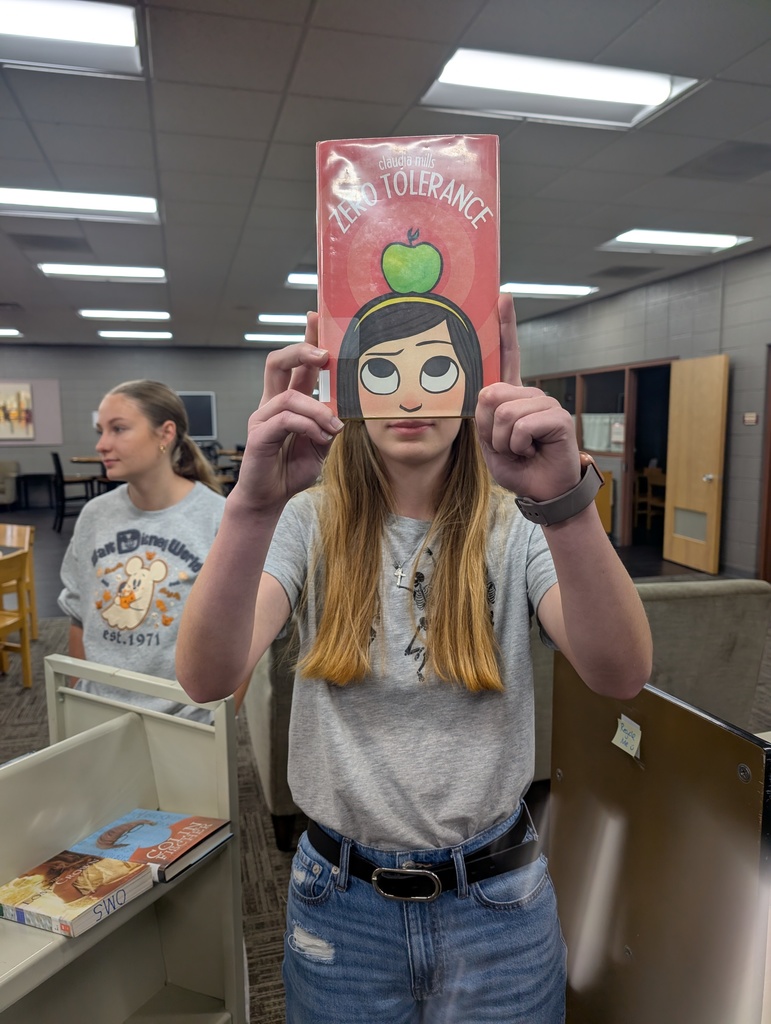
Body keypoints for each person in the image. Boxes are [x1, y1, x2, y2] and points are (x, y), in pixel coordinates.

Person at [176, 296, 652, 1022]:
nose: (407, 395)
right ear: (347, 382)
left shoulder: (517, 524)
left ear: (471, 382)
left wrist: (563, 502)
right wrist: (250, 504)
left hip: (498, 905)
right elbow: (207, 678)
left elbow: (620, 673)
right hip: (340, 907)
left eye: (436, 370)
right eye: (380, 371)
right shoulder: (306, 518)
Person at [58, 379, 247, 721]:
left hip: (182, 718)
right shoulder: (93, 516)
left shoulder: (218, 519)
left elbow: (242, 631)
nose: (102, 444)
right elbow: (77, 616)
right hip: (98, 709)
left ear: (165, 434)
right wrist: (79, 697)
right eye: (100, 430)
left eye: (118, 429)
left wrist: (219, 721)